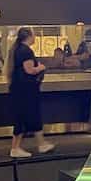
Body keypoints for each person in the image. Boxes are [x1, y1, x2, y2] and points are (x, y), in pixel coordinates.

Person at [4, 27, 55, 159]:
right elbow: (30, 70)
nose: (35, 37)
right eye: (34, 35)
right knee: (24, 116)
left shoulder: (17, 49)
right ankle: (15, 148)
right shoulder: (25, 51)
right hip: (26, 90)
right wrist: (42, 67)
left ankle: (41, 143)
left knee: (31, 115)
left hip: (22, 90)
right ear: (29, 36)